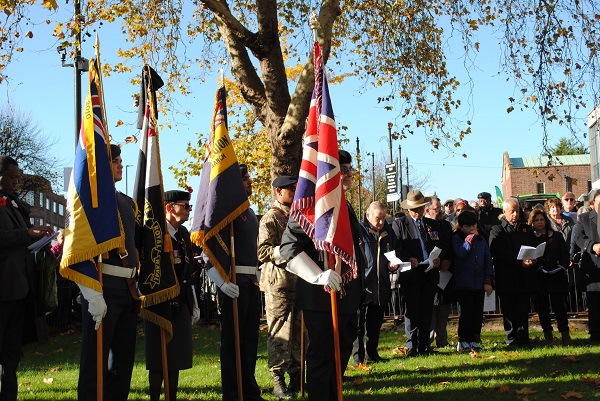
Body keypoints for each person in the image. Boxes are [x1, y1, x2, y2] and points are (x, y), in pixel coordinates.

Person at [279, 149, 365, 401]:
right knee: (322, 358)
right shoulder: (312, 207)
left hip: (347, 295)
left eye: (350, 169)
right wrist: (318, 275)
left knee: (341, 356)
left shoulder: (345, 204)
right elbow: (288, 247)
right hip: (322, 296)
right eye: (344, 169)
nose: (349, 174)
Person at [77, 144, 140, 401]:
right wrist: (91, 292)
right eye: (114, 160)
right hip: (102, 286)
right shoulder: (88, 201)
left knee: (122, 365)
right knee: (95, 362)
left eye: (120, 160)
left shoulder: (127, 202)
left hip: (127, 288)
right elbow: (77, 248)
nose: (119, 164)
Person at [206, 164, 263, 401]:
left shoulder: (249, 213)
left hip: (250, 282)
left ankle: (248, 391)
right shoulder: (225, 214)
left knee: (249, 343)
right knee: (232, 344)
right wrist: (220, 281)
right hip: (233, 283)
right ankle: (232, 393)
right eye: (245, 178)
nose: (250, 181)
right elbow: (209, 250)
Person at [0, 155, 53, 401]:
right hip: (3, 290)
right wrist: (26, 233)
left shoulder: (13, 203)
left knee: (12, 353)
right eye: (12, 177)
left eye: (18, 177)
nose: (16, 182)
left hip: (20, 288)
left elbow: (23, 237)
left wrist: (41, 237)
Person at [144, 190, 199, 401]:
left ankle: (171, 397)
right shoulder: (155, 234)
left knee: (176, 357)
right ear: (169, 207)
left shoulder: (183, 233)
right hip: (160, 302)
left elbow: (188, 269)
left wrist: (192, 300)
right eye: (185, 206)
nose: (188, 210)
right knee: (159, 358)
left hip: (181, 301)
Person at [257, 175, 301, 399]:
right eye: (289, 189)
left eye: (294, 188)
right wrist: (286, 251)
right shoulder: (271, 218)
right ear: (277, 192)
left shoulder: (297, 216)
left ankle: (297, 377)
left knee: (298, 335)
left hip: (298, 281)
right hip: (279, 285)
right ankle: (278, 381)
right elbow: (263, 251)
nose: (293, 192)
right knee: (280, 334)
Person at [392, 190, 450, 356]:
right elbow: (397, 247)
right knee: (412, 310)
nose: (417, 212)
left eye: (419, 208)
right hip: (411, 274)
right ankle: (412, 345)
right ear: (408, 209)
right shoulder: (400, 223)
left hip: (429, 271)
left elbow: (438, 245)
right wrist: (408, 258)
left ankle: (425, 344)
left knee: (426, 309)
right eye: (414, 209)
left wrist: (439, 258)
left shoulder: (431, 224)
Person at [352, 201, 398, 365]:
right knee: (358, 324)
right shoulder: (358, 231)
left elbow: (393, 253)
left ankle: (373, 352)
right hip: (362, 284)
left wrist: (393, 265)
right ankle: (359, 357)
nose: (381, 222)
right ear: (367, 215)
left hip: (381, 284)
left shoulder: (388, 232)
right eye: (378, 218)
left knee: (375, 323)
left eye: (384, 219)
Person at [488, 197, 536, 347]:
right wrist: (518, 261)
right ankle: (511, 338)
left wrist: (532, 259)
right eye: (512, 211)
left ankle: (523, 338)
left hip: (524, 276)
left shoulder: (526, 229)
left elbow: (532, 246)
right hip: (506, 276)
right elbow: (497, 251)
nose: (515, 214)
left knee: (523, 308)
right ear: (504, 212)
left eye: (517, 211)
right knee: (509, 309)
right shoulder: (497, 230)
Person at [452, 210, 493, 352]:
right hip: (464, 283)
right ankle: (463, 340)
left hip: (478, 282)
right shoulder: (457, 238)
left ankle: (474, 339)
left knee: (477, 313)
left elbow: (487, 258)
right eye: (468, 227)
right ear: (462, 227)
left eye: (474, 226)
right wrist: (468, 239)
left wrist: (488, 279)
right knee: (467, 313)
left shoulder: (481, 239)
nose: (472, 229)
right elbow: (461, 253)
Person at [528, 208, 570, 345]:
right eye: (536, 220)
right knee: (543, 307)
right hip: (540, 277)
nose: (540, 222)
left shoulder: (556, 236)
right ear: (532, 222)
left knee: (560, 306)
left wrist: (561, 267)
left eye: (541, 219)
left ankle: (565, 334)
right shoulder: (531, 239)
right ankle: (548, 335)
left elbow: (565, 254)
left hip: (556, 275)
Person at [571, 190, 600, 344]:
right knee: (595, 304)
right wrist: (592, 245)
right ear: (593, 204)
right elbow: (578, 239)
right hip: (594, 267)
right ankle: (595, 335)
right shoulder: (584, 218)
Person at [425, 197, 454, 349]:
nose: (440, 211)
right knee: (430, 305)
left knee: (443, 305)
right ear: (428, 210)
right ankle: (429, 339)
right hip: (429, 271)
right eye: (437, 208)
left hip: (445, 271)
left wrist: (447, 260)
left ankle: (442, 339)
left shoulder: (446, 225)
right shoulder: (424, 225)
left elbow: (449, 245)